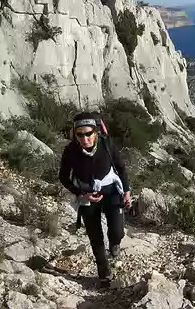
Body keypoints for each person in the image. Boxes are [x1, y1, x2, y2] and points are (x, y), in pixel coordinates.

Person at [59, 112, 131, 286]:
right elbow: (63, 177)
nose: (84, 139)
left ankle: (115, 243)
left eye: (88, 134)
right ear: (74, 134)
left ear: (96, 132)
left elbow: (121, 168)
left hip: (111, 191)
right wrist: (80, 193)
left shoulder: (107, 145)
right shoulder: (70, 151)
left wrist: (127, 191)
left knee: (117, 230)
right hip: (86, 195)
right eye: (80, 135)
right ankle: (104, 273)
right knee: (95, 236)